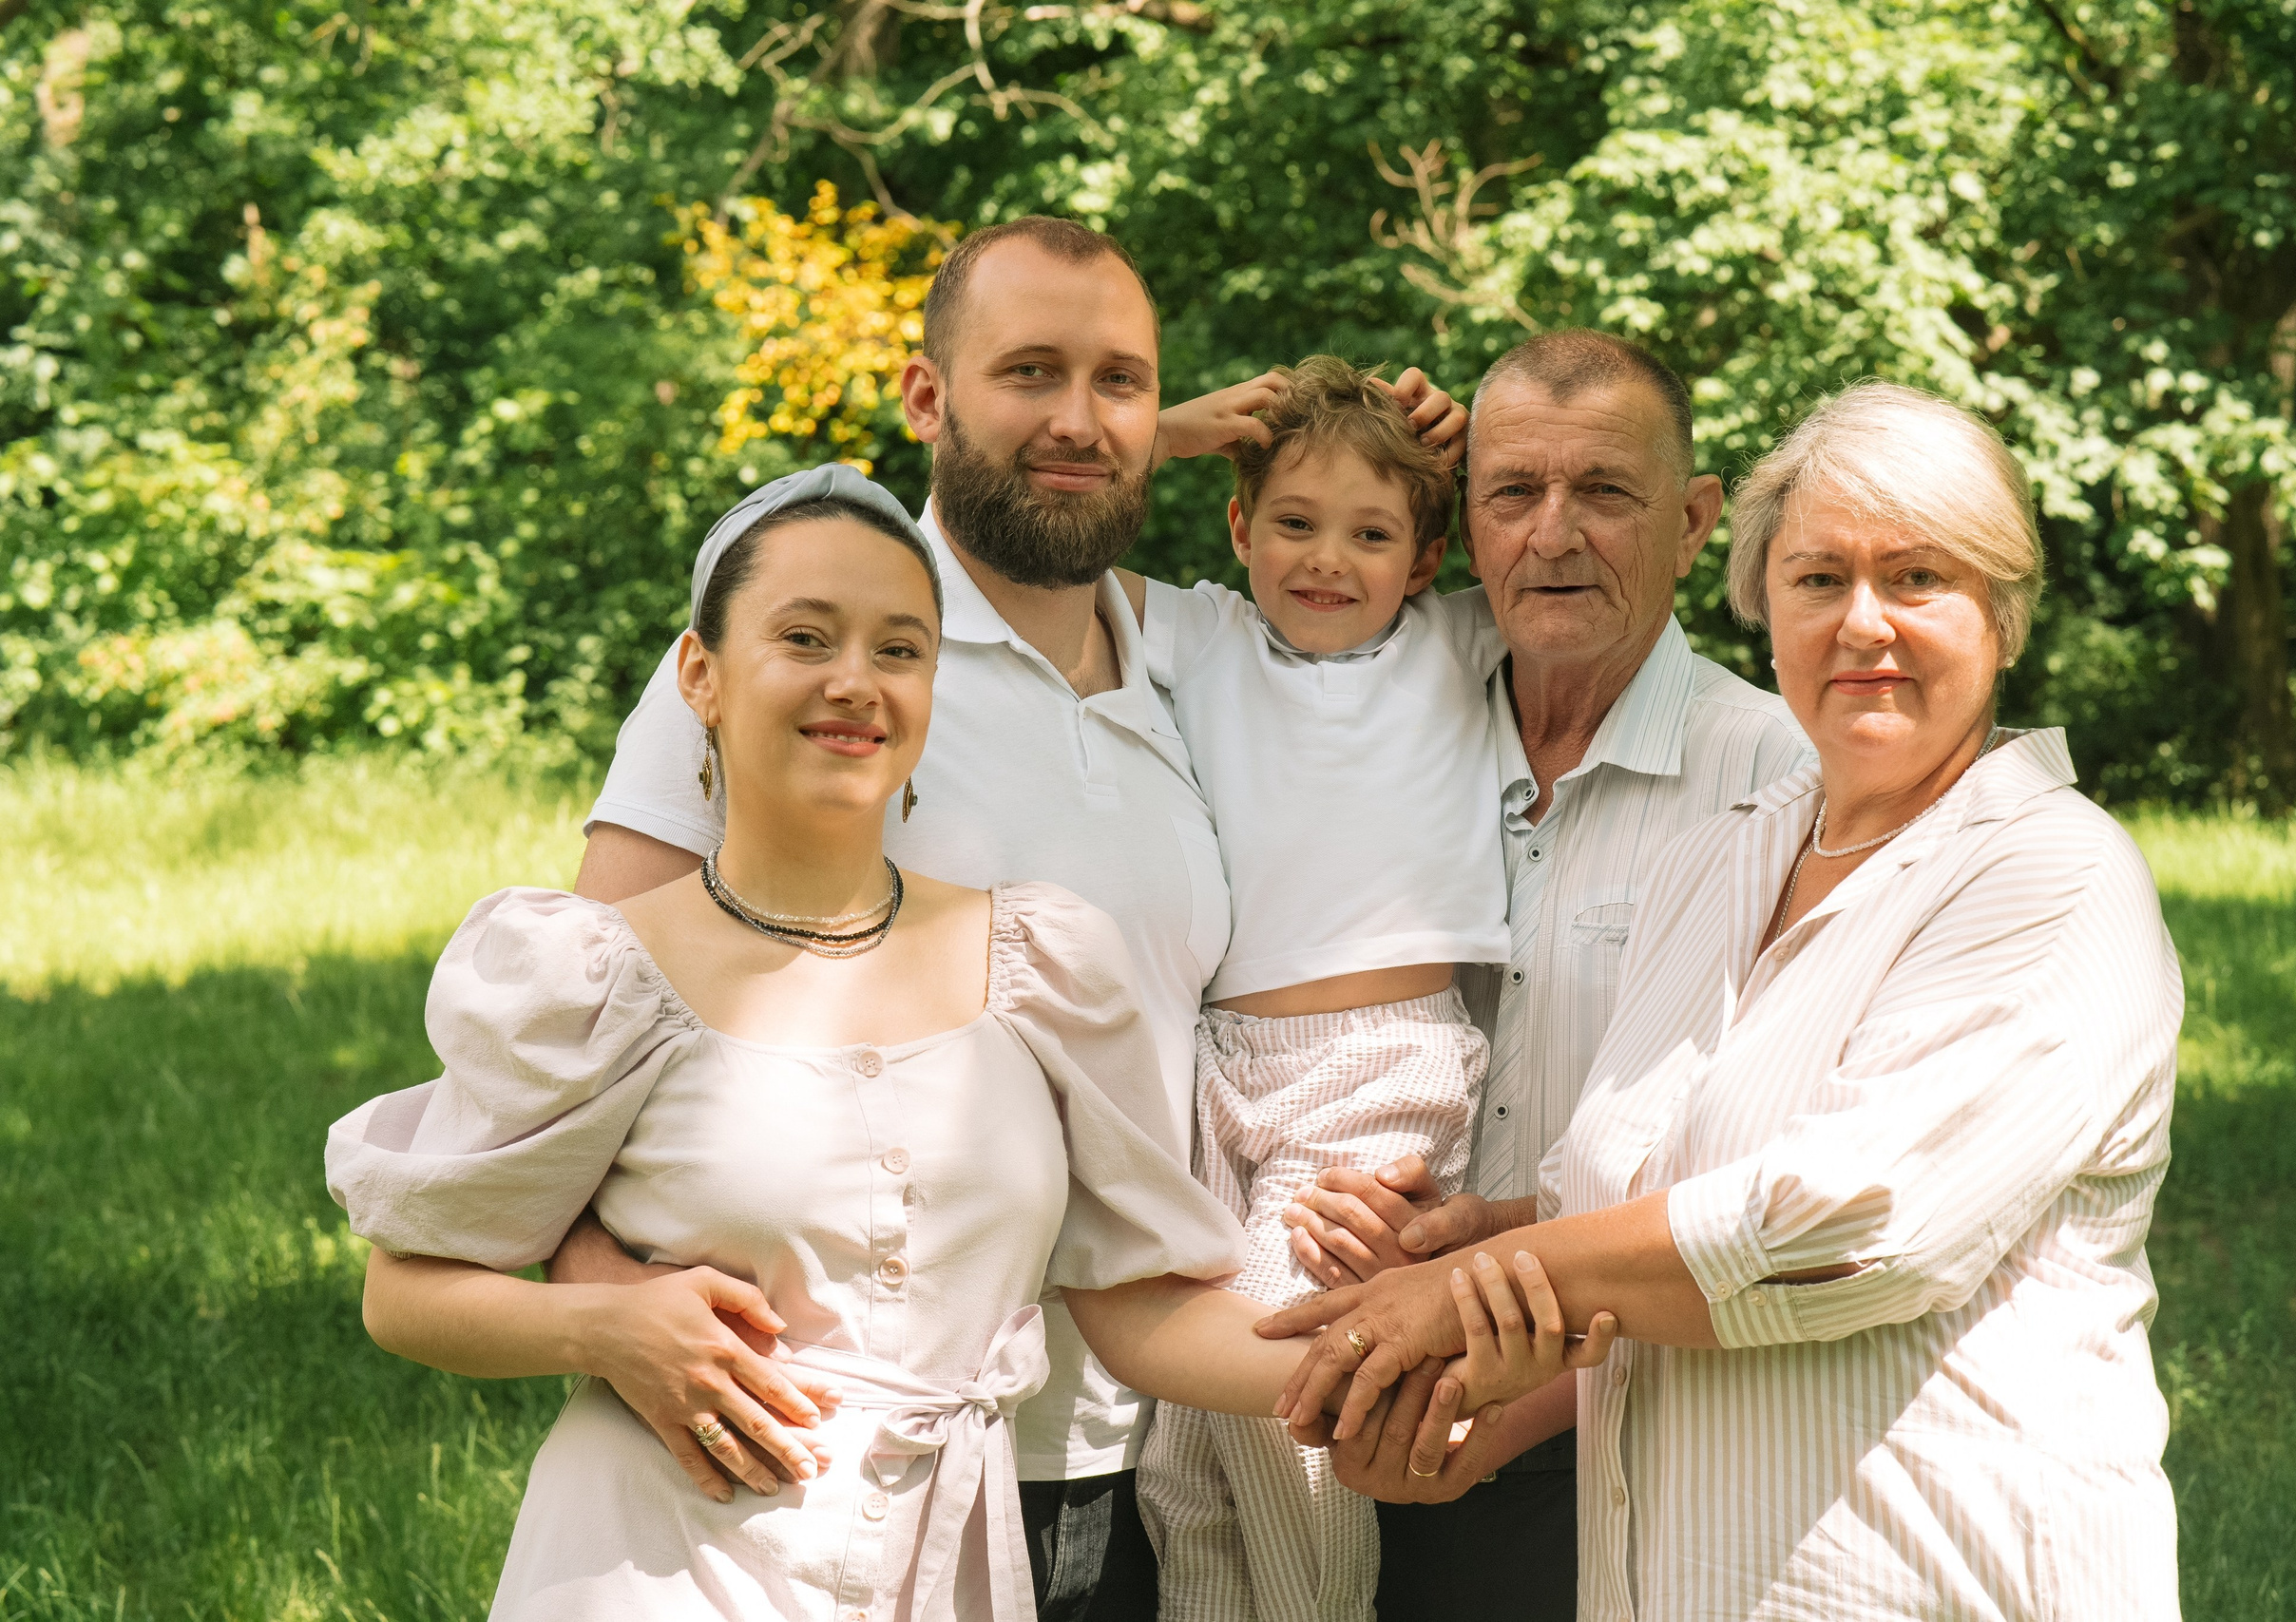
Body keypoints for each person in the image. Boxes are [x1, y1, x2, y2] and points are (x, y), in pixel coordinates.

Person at [326, 468, 1599, 1620]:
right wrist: (602, 1333)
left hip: (949, 1569)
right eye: (805, 640)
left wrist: (1408, 1353)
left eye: (900, 648)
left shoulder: (1036, 969)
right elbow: (408, 1289)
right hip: (661, 1564)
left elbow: (1147, 1316)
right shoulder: (603, 971)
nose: (853, 682)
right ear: (701, 677)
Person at [557, 216, 1466, 1617]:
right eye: (1027, 371)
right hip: (811, 1434)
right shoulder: (831, 673)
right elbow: (572, 1025)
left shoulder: (1182, 656)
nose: (1079, 418)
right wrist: (613, 1312)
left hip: (1122, 1424)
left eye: (1121, 382)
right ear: (926, 398)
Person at [1263, 381, 2188, 1621]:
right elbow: (1645, 1213)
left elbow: (1852, 1227)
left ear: (2003, 615)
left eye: (1918, 578)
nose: (1865, 623)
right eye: (1817, 580)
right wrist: (1467, 1382)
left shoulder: (2057, 875)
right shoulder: (1721, 859)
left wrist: (1468, 1287)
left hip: (1943, 1582)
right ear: (1762, 606)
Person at [1273, 329, 1811, 1618]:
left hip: (1611, 1419)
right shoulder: (1382, 691)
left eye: (1606, 496)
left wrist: (1499, 1359)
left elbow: (1771, 1183)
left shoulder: (1779, 777)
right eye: (1512, 495)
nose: (1552, 536)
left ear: (1693, 525)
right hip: (1320, 1363)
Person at [1121, 356, 1510, 1622]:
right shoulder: (1201, 632)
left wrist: (1482, 438)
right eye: (1292, 522)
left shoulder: (1460, 641)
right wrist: (1167, 433)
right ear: (1239, 525)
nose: (1325, 559)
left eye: (1371, 532)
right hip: (1217, 1069)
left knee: (1293, 1383)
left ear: (1425, 551)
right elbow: (996, 566)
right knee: (1182, 1447)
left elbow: (1577, 552)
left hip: (1376, 1072)